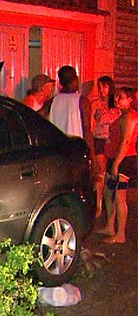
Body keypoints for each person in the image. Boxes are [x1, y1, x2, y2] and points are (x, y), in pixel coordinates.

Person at [95, 87, 138, 244]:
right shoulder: (124, 115)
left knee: (120, 197)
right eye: (117, 96)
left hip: (124, 161)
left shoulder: (130, 117)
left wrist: (116, 164)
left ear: (130, 99)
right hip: (116, 159)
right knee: (108, 192)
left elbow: (126, 142)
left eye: (121, 97)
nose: (116, 98)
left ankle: (120, 234)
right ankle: (110, 226)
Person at [40, 65, 94, 155]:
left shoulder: (52, 101)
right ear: (75, 79)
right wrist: (93, 157)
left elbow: (38, 118)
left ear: (60, 82)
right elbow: (87, 131)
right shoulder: (82, 101)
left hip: (57, 150)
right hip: (75, 151)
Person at [91, 76, 122, 216]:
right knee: (99, 174)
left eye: (104, 87)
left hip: (112, 142)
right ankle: (98, 205)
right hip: (99, 140)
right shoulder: (95, 103)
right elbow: (91, 124)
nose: (101, 90)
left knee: (110, 175)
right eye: (99, 87)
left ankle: (109, 204)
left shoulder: (116, 106)